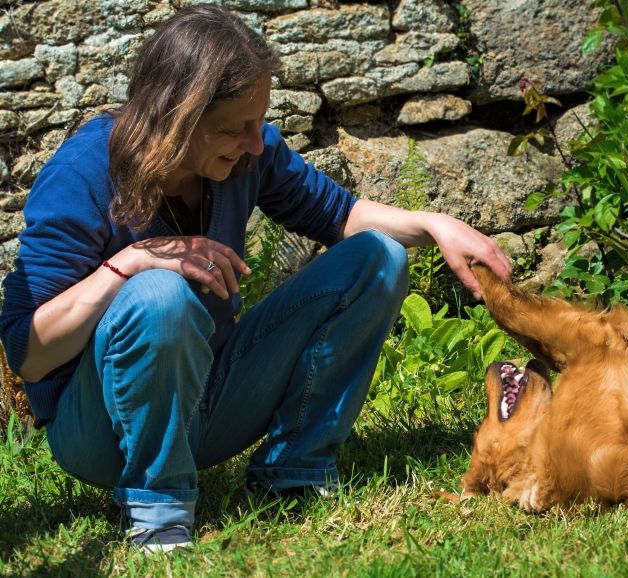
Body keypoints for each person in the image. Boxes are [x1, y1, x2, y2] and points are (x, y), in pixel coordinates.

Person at [0, 4, 510, 552]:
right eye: (237, 127)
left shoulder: (248, 155)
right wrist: (127, 265)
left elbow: (336, 214)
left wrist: (434, 225)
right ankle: (159, 510)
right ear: (179, 116)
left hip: (208, 399)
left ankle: (294, 469)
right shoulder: (83, 174)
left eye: (256, 122)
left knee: (378, 258)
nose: (256, 141)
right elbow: (28, 353)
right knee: (158, 293)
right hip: (100, 431)